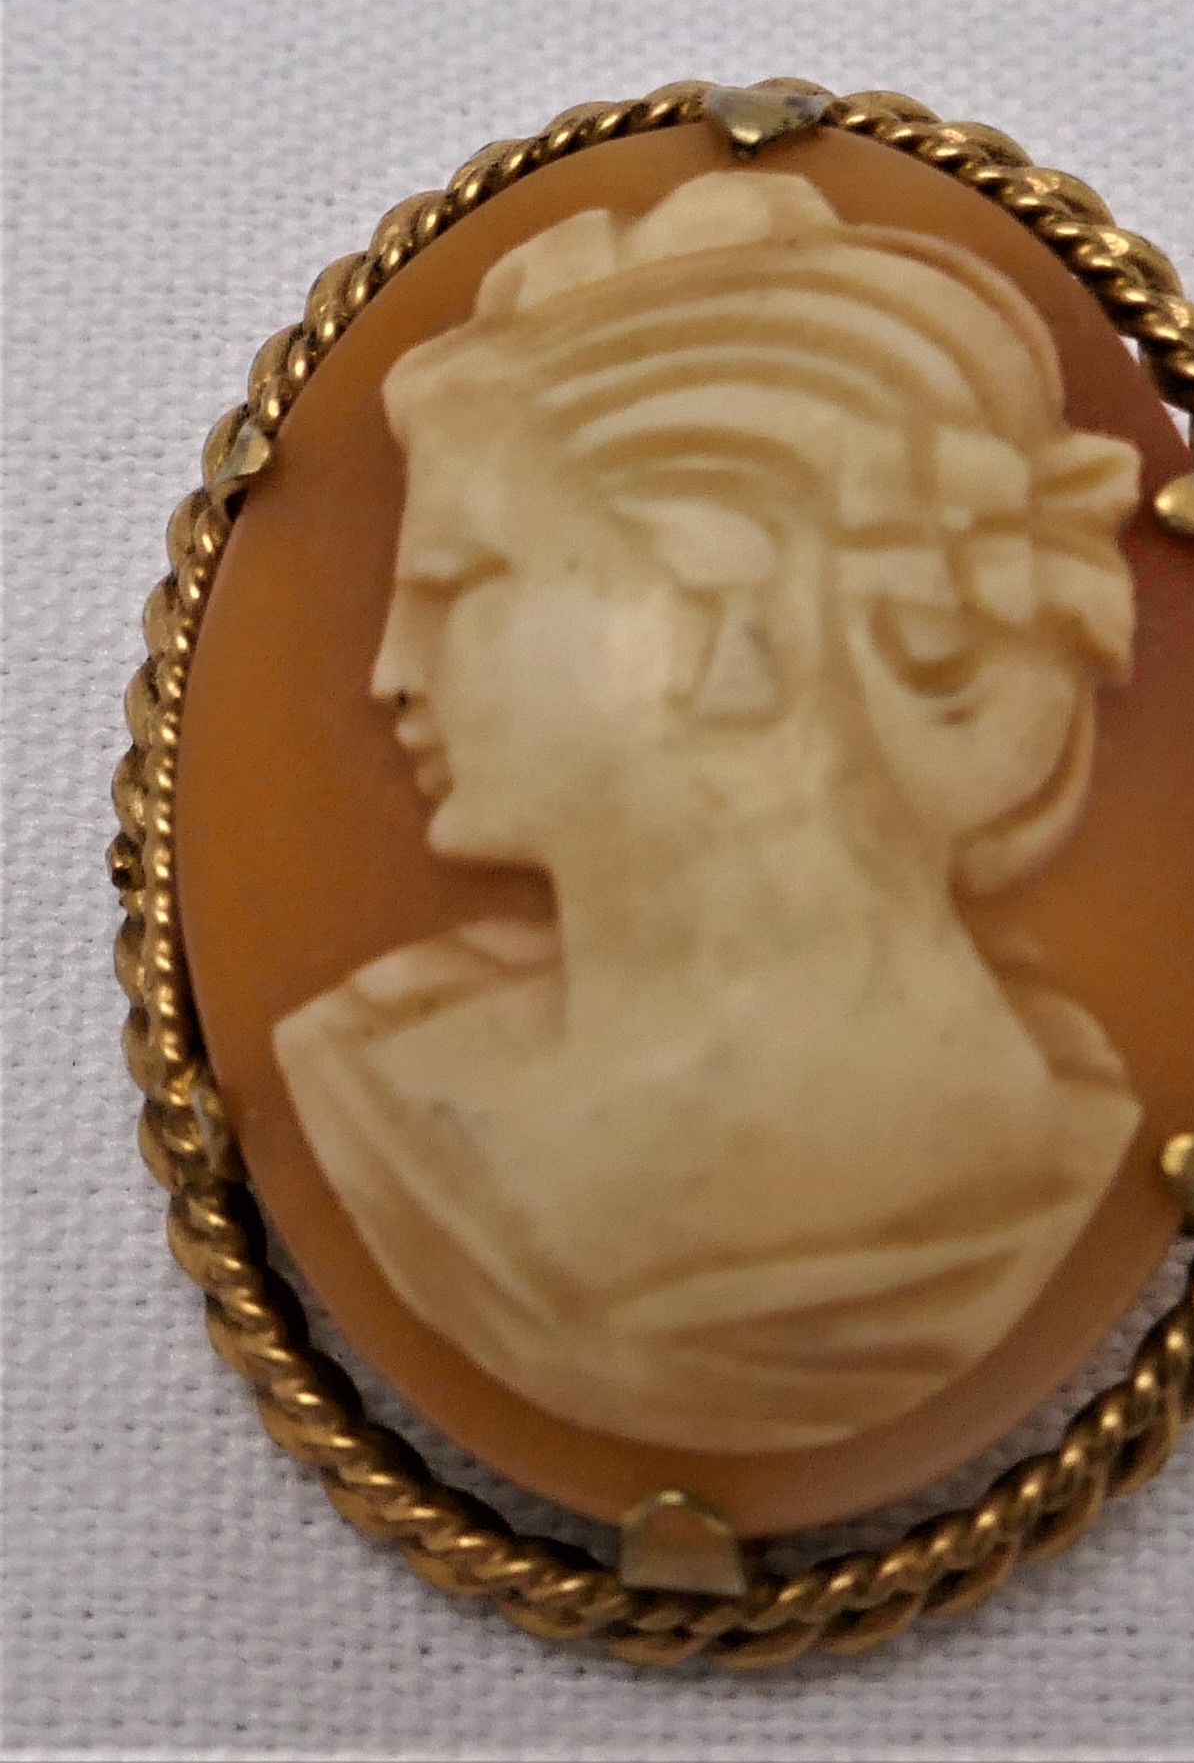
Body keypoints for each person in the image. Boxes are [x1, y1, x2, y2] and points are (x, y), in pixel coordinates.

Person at [274, 170, 1144, 1454]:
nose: (389, 670)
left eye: (457, 585)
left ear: (725, 600)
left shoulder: (1052, 1157)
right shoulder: (380, 1091)